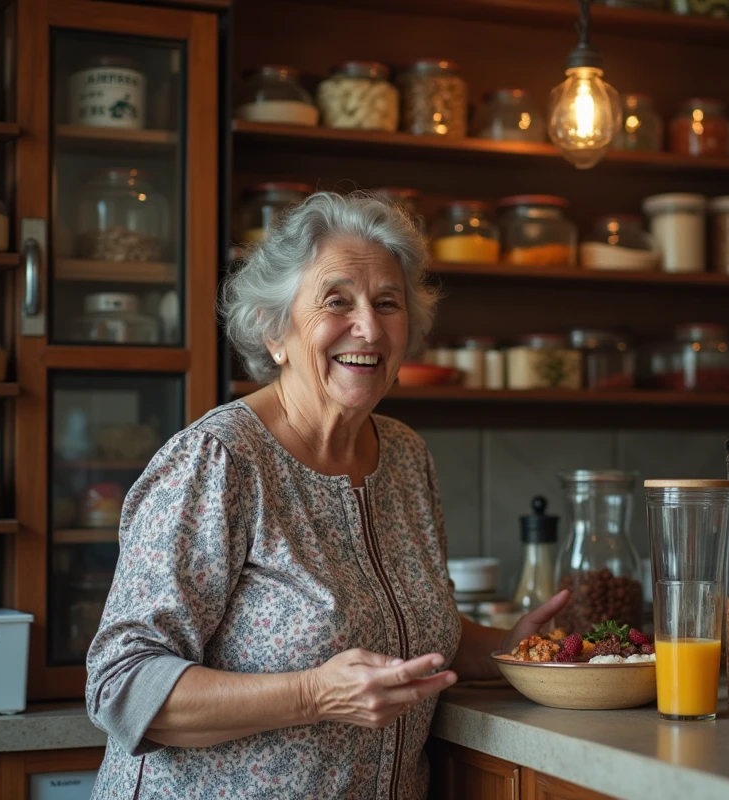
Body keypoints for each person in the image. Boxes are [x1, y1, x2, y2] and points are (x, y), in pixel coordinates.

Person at [84, 192, 569, 799]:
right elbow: (122, 687)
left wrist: (509, 646)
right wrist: (314, 694)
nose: (367, 327)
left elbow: (408, 632)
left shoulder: (404, 456)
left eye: (387, 303)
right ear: (274, 329)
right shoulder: (219, 460)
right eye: (336, 301)